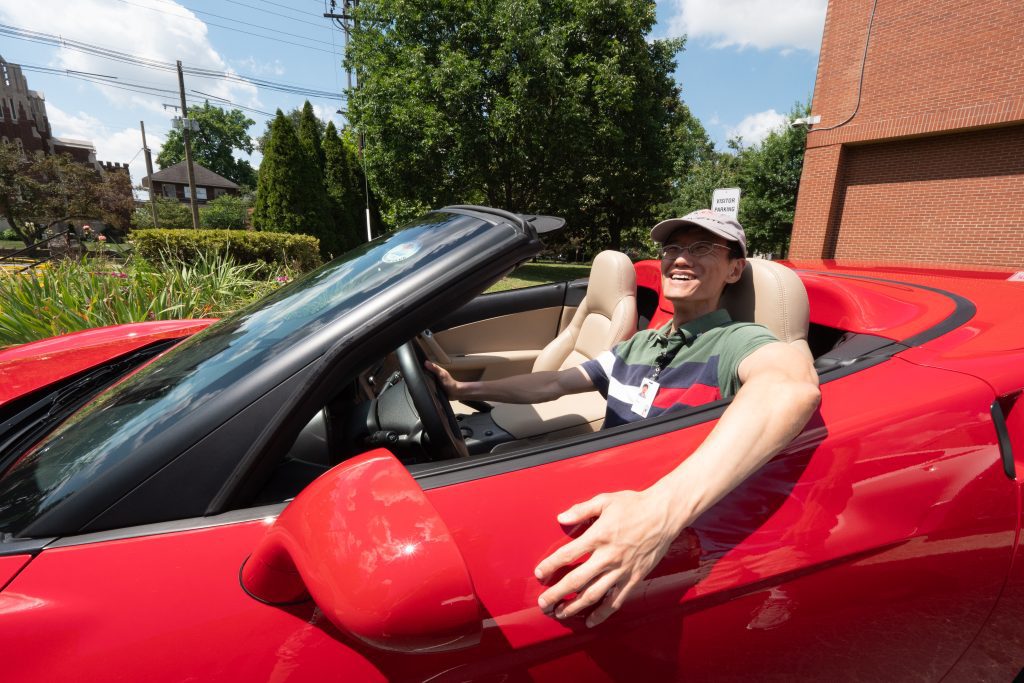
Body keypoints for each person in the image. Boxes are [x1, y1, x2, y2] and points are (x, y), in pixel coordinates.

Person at [426, 208, 821, 628]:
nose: (681, 259)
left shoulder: (739, 339)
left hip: (654, 531)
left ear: (735, 268)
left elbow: (789, 387)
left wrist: (659, 512)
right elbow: (555, 384)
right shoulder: (640, 345)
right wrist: (463, 390)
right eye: (673, 248)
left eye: (702, 248)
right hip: (597, 494)